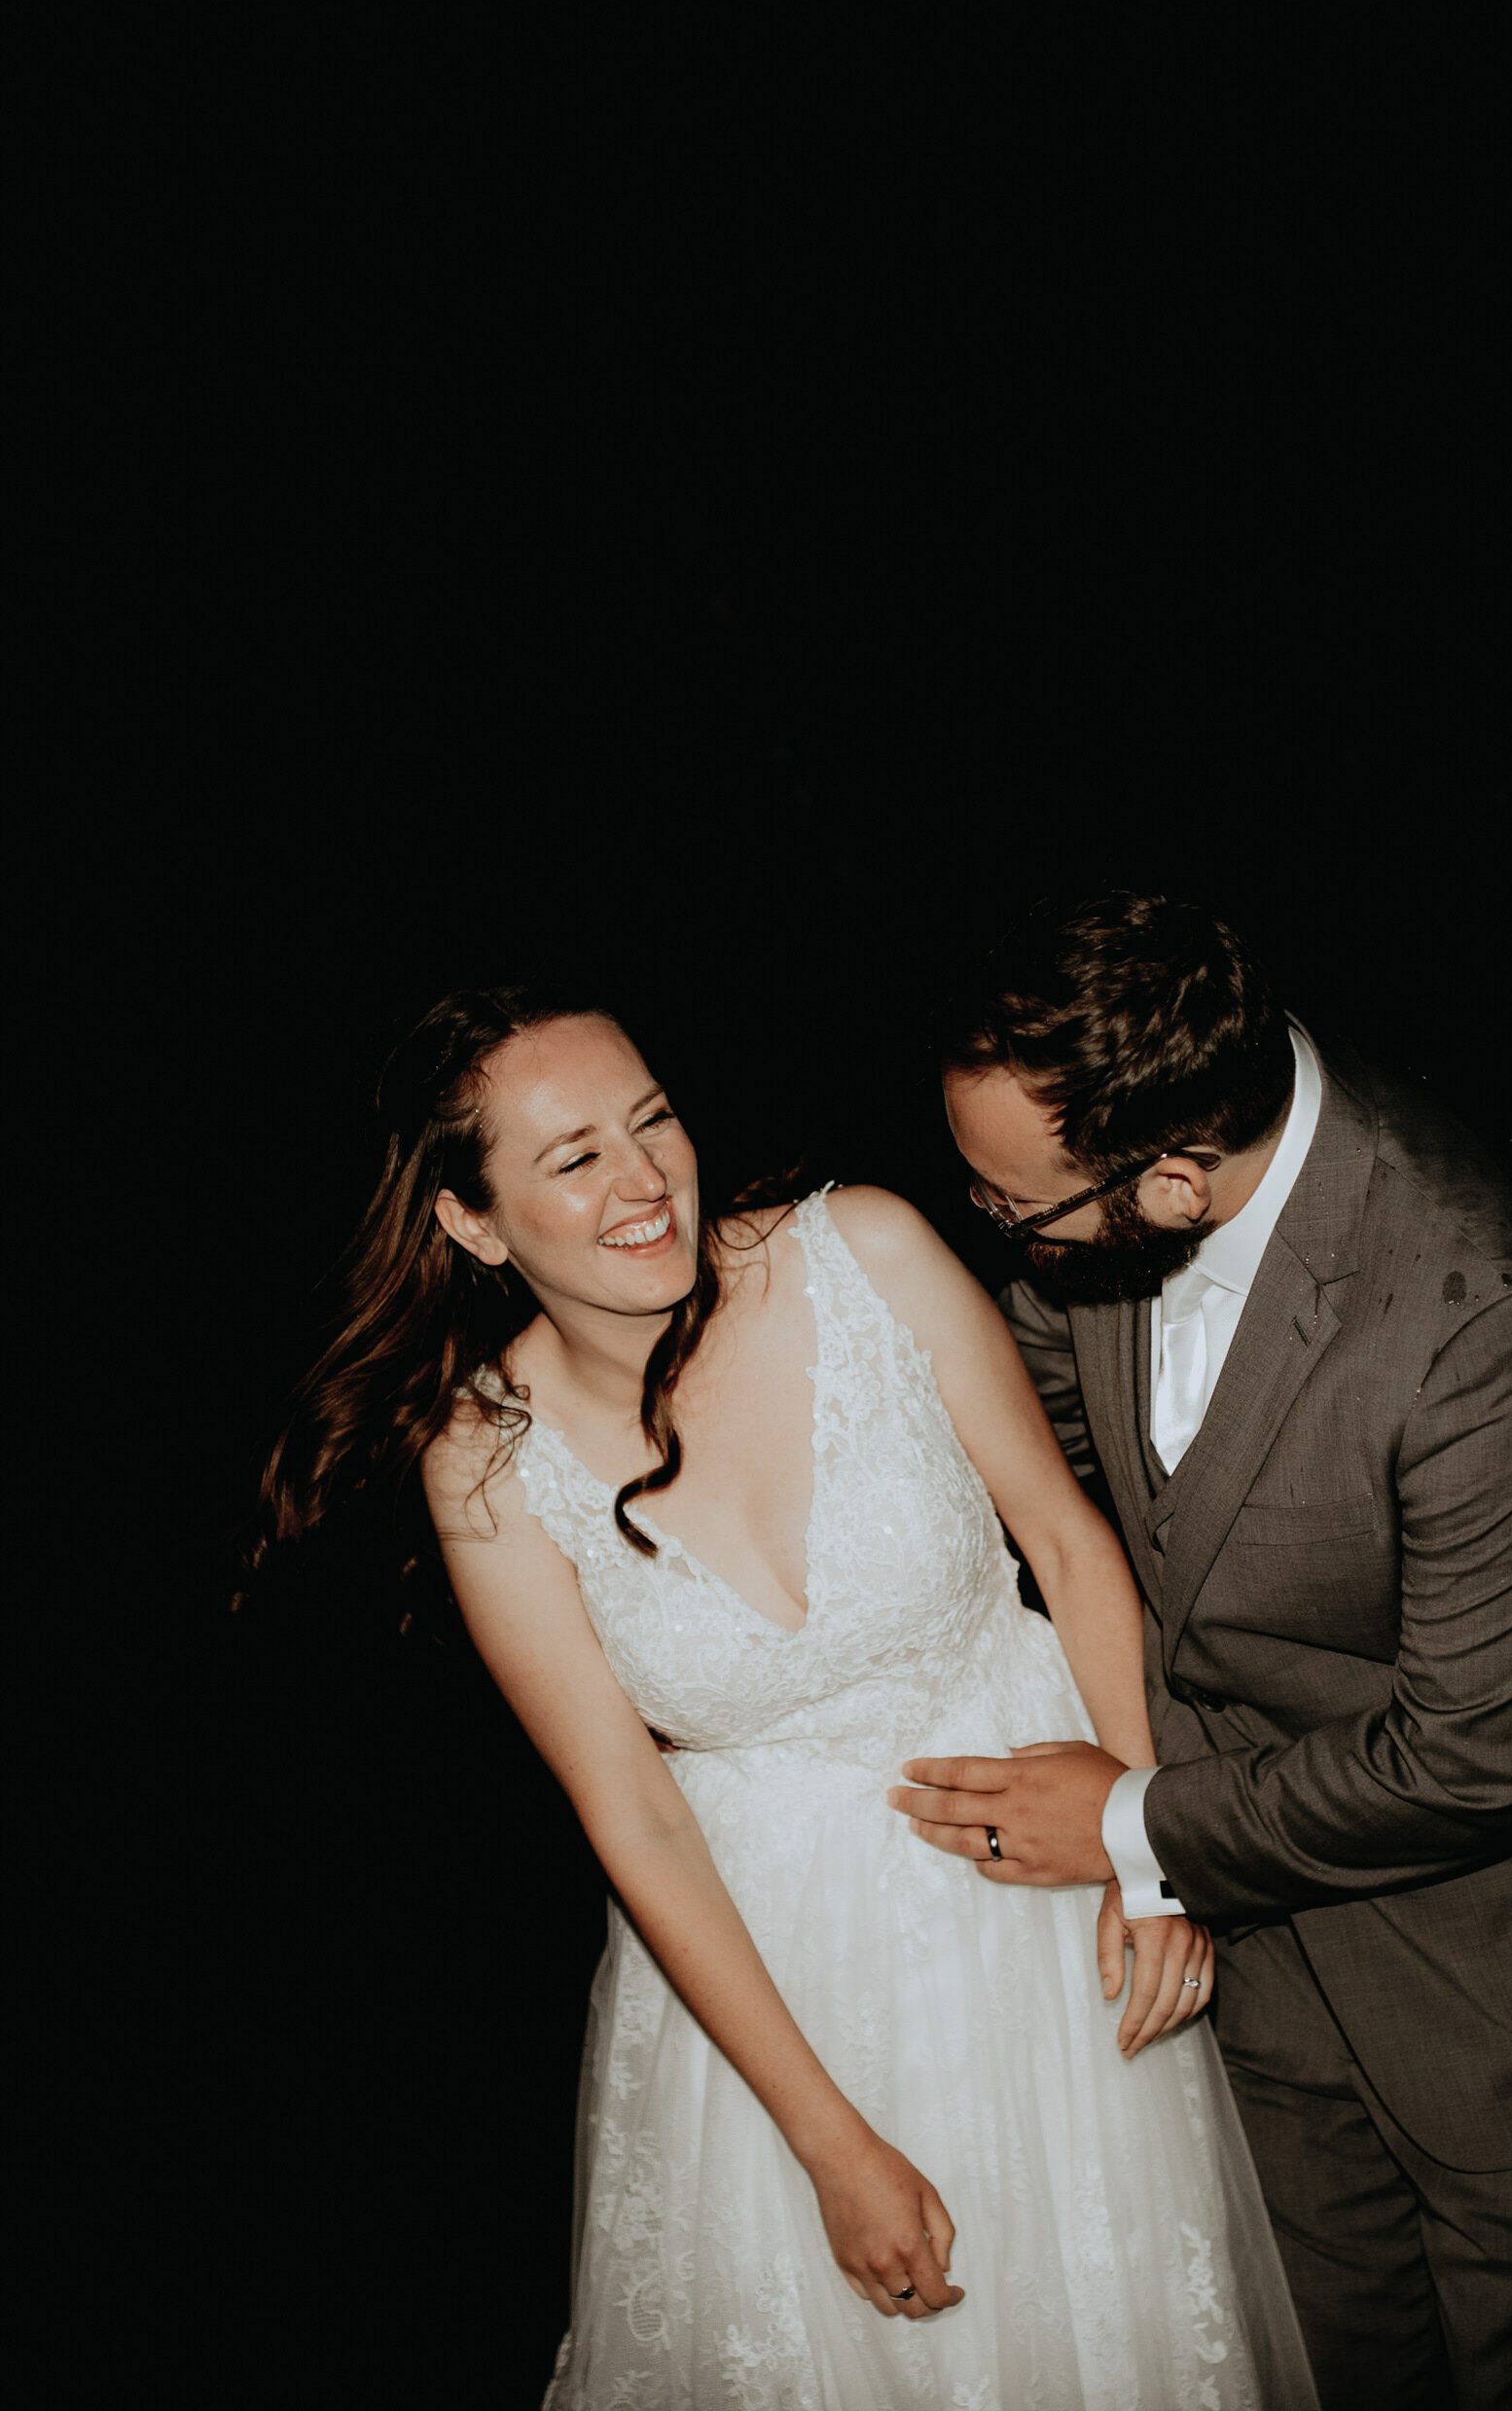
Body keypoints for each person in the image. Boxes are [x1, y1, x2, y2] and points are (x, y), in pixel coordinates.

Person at [260, 982, 1318, 2409]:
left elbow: (1069, 1544)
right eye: (573, 1159)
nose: (644, 1182)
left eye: (653, 1123)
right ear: (471, 1221)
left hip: (1048, 1902)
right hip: (775, 1993)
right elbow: (633, 1814)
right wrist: (830, 2145)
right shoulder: (483, 1461)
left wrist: (1150, 1848)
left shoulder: (865, 1247)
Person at [892, 892, 1512, 2411]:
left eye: (1011, 1214)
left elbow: (1469, 1764)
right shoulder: (1113, 1200)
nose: (995, 1236)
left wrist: (1125, 1819)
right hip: (1267, 1997)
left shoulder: (1501, 1321)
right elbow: (1072, 1456)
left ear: (1176, 1185)